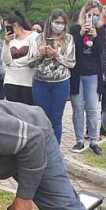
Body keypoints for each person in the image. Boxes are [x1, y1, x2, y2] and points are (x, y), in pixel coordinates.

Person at [30, 9, 76, 144]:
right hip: (41, 82)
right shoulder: (38, 38)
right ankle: (42, 148)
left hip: (60, 83)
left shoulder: (68, 39)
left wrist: (57, 55)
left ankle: (55, 149)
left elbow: (72, 63)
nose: (59, 25)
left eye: (62, 23)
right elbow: (30, 63)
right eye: (56, 22)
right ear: (50, 22)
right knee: (42, 118)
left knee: (56, 118)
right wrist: (39, 55)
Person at [70, 0, 105, 156]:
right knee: (78, 108)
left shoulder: (101, 30)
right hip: (77, 74)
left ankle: (94, 141)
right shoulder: (75, 28)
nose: (92, 17)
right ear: (84, 14)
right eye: (90, 14)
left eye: (96, 15)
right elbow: (71, 48)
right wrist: (81, 33)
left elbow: (100, 51)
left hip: (92, 74)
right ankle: (79, 140)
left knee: (92, 108)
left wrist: (96, 36)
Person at [2, 11, 38, 105]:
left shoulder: (33, 36)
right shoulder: (10, 40)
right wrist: (6, 43)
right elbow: (6, 60)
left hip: (27, 79)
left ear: (15, 25)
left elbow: (31, 58)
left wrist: (18, 64)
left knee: (27, 109)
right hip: (11, 79)